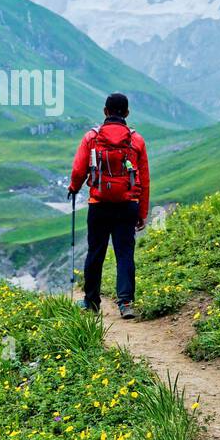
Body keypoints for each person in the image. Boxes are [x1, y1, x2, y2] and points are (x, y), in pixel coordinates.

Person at [67, 92, 150, 319]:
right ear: (127, 113)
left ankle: (92, 302)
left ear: (105, 111)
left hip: (99, 204)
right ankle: (126, 304)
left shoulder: (91, 138)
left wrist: (74, 188)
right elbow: (144, 179)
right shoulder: (137, 141)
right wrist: (142, 213)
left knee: (95, 253)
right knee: (124, 254)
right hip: (127, 205)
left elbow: (78, 170)